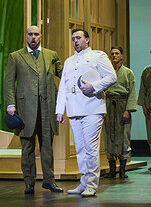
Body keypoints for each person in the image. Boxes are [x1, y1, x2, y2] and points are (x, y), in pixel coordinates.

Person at [55, 29, 116, 197]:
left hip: (92, 108)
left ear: (87, 39)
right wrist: (60, 110)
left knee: (90, 148)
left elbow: (111, 77)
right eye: (73, 38)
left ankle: (91, 184)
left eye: (79, 38)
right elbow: (63, 87)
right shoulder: (68, 61)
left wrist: (93, 86)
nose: (75, 41)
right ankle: (84, 181)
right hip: (74, 109)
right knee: (80, 149)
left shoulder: (98, 56)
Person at [4, 25, 64, 194]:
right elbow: (9, 82)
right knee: (27, 148)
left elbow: (63, 73)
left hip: (47, 107)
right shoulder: (16, 56)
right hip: (25, 109)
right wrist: (10, 104)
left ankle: (49, 181)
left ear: (41, 36)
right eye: (30, 34)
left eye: (36, 34)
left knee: (47, 147)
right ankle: (29, 182)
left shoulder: (51, 55)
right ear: (26, 36)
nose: (33, 37)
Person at [102, 46, 137, 179]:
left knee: (124, 136)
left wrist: (128, 110)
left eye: (117, 53)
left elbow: (132, 92)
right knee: (108, 136)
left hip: (122, 105)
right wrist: (103, 111)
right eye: (112, 54)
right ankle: (112, 168)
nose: (114, 55)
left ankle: (122, 169)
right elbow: (101, 91)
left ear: (122, 56)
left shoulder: (128, 73)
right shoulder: (106, 72)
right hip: (109, 105)